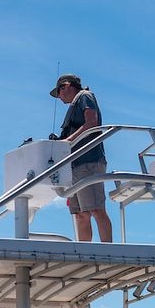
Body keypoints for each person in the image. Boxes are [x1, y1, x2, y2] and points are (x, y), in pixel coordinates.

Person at [50, 73, 113, 243]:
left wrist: (68, 141)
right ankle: (84, 252)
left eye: (59, 92)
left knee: (96, 209)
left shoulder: (85, 96)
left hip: (88, 161)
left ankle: (108, 251)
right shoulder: (75, 104)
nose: (59, 97)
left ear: (67, 86)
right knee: (80, 214)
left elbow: (91, 122)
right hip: (75, 165)